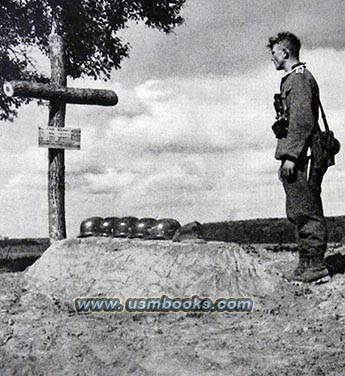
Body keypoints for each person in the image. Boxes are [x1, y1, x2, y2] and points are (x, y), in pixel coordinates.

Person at [267, 32, 330, 283]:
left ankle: (315, 265)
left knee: (307, 209)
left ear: (284, 52)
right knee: (298, 209)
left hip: (303, 156)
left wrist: (291, 157)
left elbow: (302, 123)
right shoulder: (293, 79)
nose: (272, 58)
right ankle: (307, 263)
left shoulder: (300, 80)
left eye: (274, 53)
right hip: (298, 155)